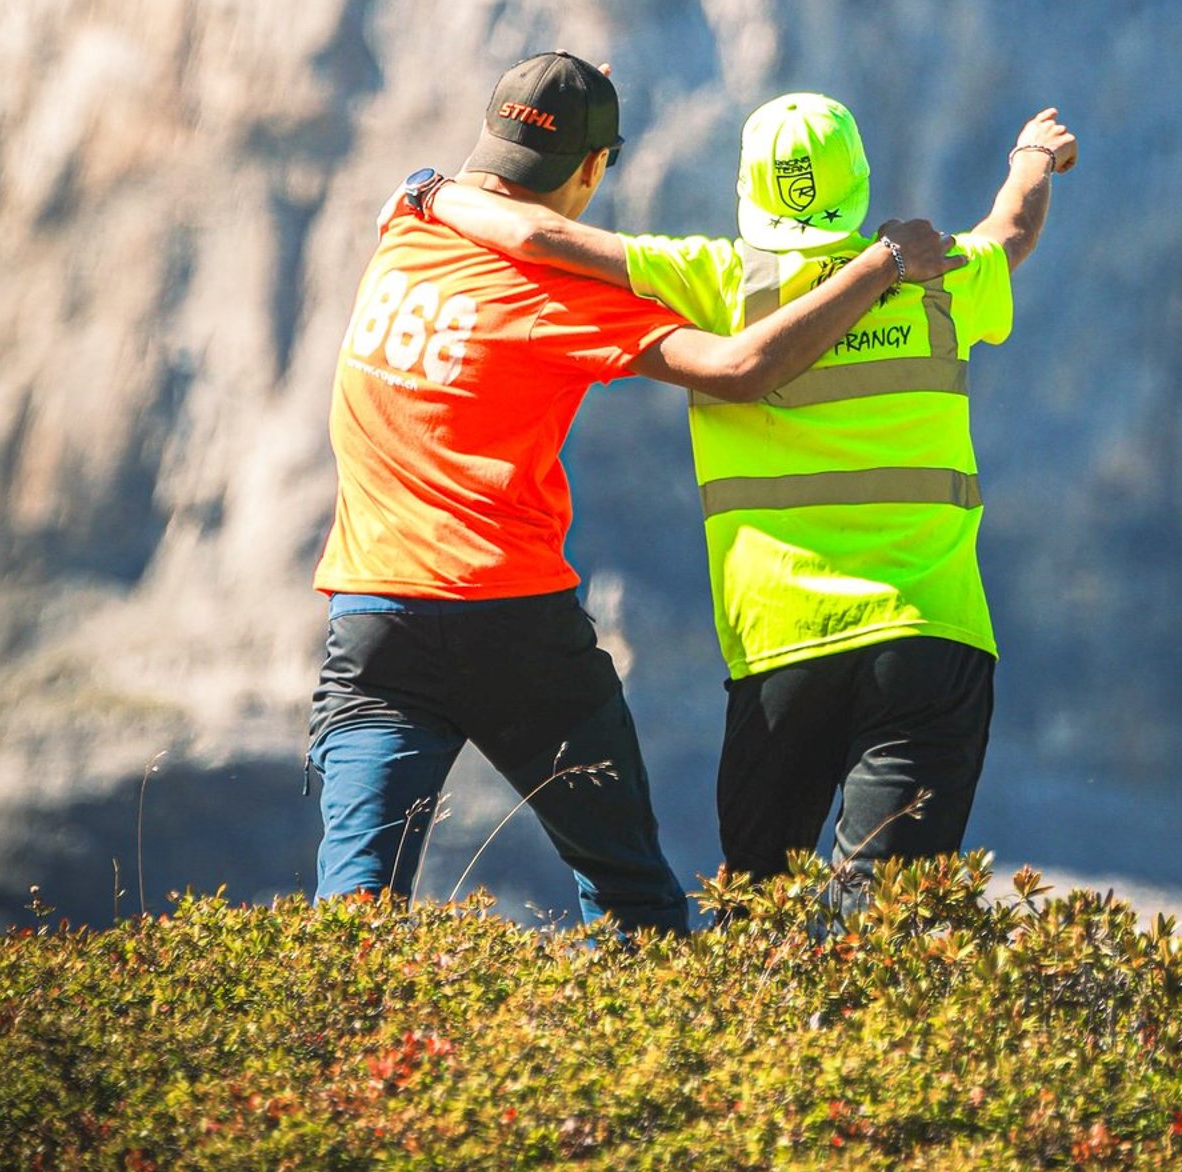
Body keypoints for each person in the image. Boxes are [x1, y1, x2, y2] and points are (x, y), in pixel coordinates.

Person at [307, 53, 953, 932]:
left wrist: (460, 167)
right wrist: (880, 264)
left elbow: (456, 192)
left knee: (352, 911)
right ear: (591, 169)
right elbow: (739, 369)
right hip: (513, 627)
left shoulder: (406, 228)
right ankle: (645, 1061)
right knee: (631, 899)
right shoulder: (556, 295)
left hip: (372, 619)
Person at [422, 89, 1075, 891]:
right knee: (886, 922)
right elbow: (1011, 231)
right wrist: (1033, 157)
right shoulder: (939, 275)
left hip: (781, 648)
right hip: (929, 636)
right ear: (860, 181)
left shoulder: (718, 278)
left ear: (748, 192)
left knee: (758, 910)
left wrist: (430, 192)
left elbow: (539, 234)